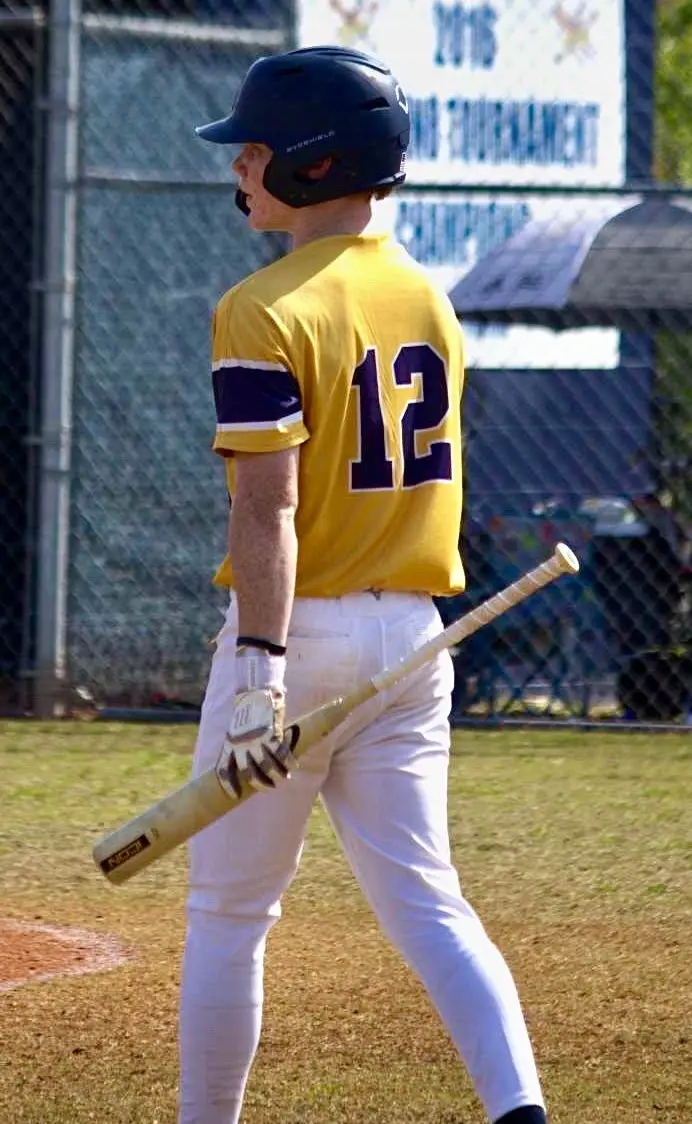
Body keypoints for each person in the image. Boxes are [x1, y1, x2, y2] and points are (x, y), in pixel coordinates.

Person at [180, 45, 548, 1124]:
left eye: (254, 150)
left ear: (312, 161)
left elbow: (268, 507)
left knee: (228, 916)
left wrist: (258, 667)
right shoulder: (428, 296)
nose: (238, 168)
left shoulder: (261, 305)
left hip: (293, 637)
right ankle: (519, 1108)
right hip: (415, 641)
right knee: (432, 906)